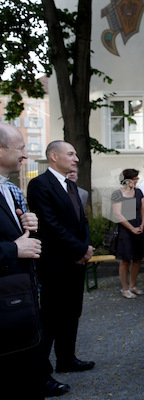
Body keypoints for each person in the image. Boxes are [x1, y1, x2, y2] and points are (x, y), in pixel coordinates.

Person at [27, 140, 95, 395]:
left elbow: (83, 221)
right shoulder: (40, 185)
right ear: (53, 156)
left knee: (72, 313)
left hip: (76, 262)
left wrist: (86, 248)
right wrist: (79, 250)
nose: (76, 158)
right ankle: (41, 372)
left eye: (76, 154)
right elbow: (49, 226)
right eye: (71, 154)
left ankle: (67, 359)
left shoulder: (70, 184)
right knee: (51, 317)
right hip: (55, 264)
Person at [0, 123, 46, 399]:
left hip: (20, 301)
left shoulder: (7, 187)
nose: (25, 156)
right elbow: (11, 247)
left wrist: (24, 224)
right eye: (20, 149)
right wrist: (12, 249)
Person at [111, 169, 144, 299]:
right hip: (125, 229)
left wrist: (142, 225)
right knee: (125, 259)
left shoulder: (138, 192)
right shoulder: (117, 193)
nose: (137, 181)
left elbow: (143, 210)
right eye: (135, 178)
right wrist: (131, 228)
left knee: (137, 258)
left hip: (138, 227)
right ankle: (124, 288)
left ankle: (132, 285)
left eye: (137, 178)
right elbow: (117, 214)